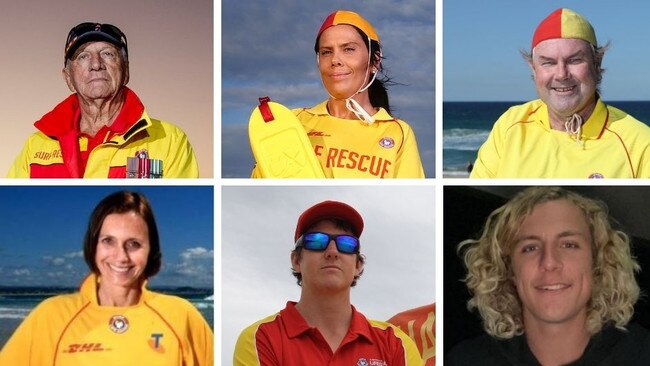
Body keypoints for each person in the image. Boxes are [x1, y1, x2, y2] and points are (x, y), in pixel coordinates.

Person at [0, 191, 213, 365]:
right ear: (93, 245)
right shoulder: (50, 316)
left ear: (151, 250)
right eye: (108, 241)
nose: (121, 256)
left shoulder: (181, 315)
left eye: (134, 244)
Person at [447, 187, 650, 365]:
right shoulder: (465, 360)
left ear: (597, 261)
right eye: (530, 248)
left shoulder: (641, 354)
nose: (549, 262)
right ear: (508, 269)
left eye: (569, 245)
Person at [233, 200, 423, 365]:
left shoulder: (396, 343)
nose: (332, 251)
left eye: (347, 244)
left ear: (358, 264)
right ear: (296, 260)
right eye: (317, 241)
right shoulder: (261, 339)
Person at [470, 8, 650, 178]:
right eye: (548, 62)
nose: (562, 74)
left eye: (574, 60)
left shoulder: (640, 144)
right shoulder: (509, 126)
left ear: (597, 64)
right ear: (533, 69)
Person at [7, 22, 199, 178]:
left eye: (108, 54)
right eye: (83, 56)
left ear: (126, 70)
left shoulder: (169, 141)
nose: (96, 64)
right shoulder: (35, 146)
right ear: (68, 78)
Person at [251, 10, 425, 178]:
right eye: (326, 52)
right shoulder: (293, 121)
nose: (335, 60)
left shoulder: (397, 132)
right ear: (319, 62)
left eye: (348, 49)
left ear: (375, 60)